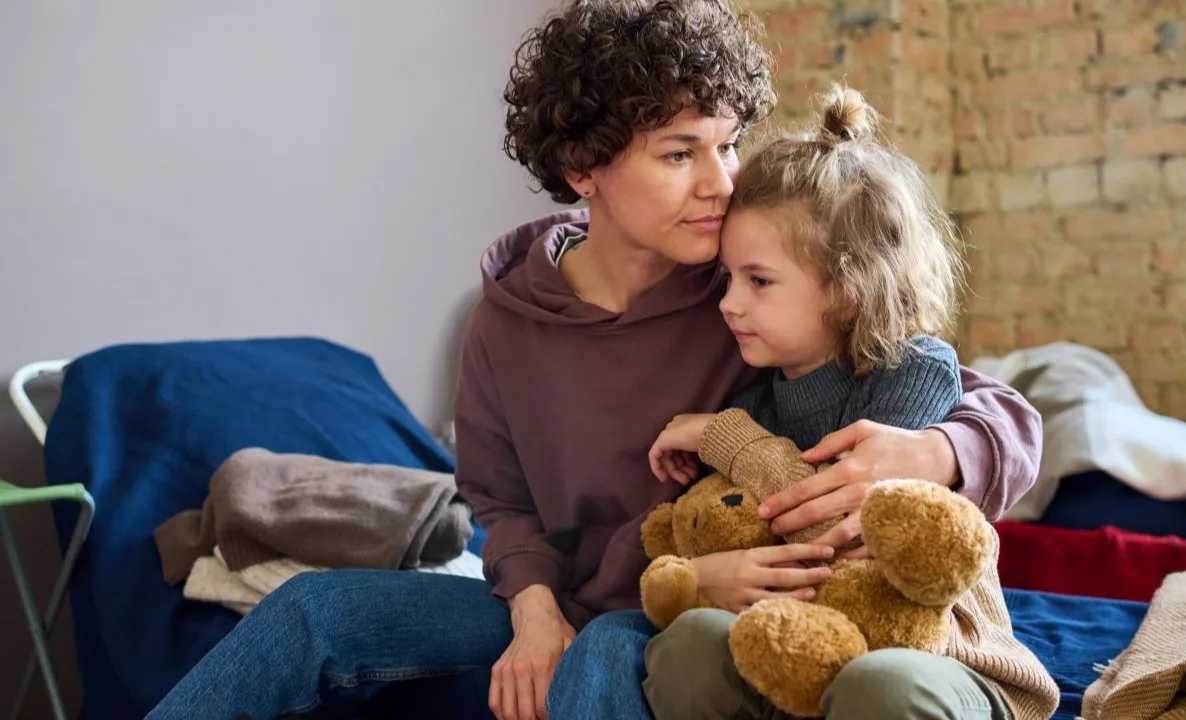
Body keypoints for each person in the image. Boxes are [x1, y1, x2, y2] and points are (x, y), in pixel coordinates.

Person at [142, 3, 1043, 720]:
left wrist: (936, 453)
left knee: (608, 658)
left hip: (665, 602)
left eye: (727, 144)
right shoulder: (504, 322)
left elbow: (965, 389)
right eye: (679, 153)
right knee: (313, 611)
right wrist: (532, 607)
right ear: (584, 168)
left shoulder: (743, 289)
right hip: (568, 591)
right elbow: (500, 501)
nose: (722, 182)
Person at [637, 85, 1059, 720]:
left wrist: (723, 437)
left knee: (878, 683)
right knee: (687, 643)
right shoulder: (756, 400)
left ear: (847, 289)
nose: (729, 302)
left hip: (935, 655)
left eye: (759, 280)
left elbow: (836, 529)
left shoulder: (911, 372)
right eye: (729, 278)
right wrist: (700, 578)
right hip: (796, 649)